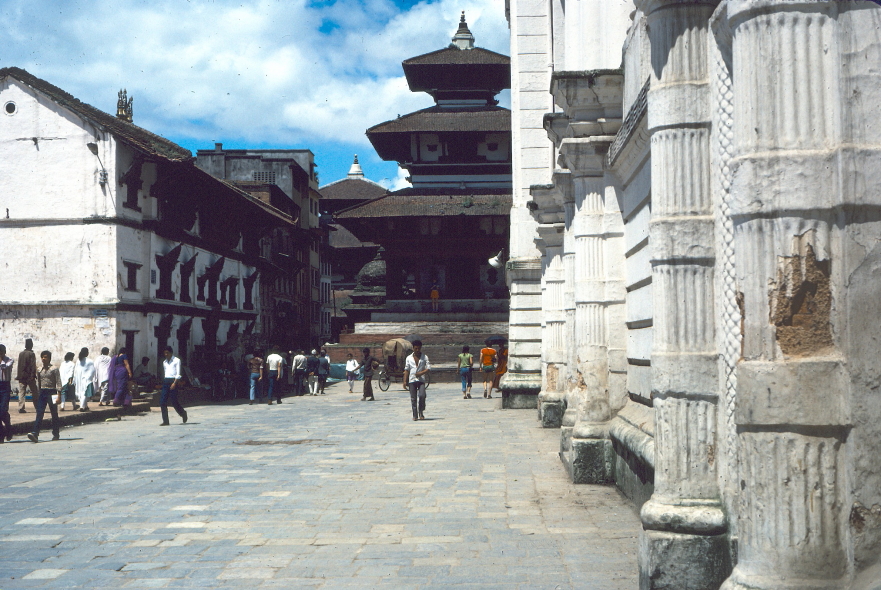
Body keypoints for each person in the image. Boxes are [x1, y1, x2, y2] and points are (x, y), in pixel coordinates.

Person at [27, 351, 61, 442]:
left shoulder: (54, 369)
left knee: (54, 413)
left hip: (52, 392)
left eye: (45, 357)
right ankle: (35, 433)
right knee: (39, 412)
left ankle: (56, 433)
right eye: (42, 357)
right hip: (42, 392)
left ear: (49, 358)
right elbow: (39, 382)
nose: (43, 359)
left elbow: (58, 382)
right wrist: (38, 393)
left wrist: (59, 396)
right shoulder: (39, 369)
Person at [403, 340, 431, 421]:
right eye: (415, 348)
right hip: (412, 380)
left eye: (419, 348)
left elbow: (428, 368)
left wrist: (421, 373)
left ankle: (421, 411)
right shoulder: (409, 358)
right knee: (413, 398)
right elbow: (407, 370)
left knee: (422, 395)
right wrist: (405, 381)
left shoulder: (424, 357)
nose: (417, 350)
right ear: (413, 348)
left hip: (421, 380)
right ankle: (415, 415)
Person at [159, 346, 187, 425]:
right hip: (166, 381)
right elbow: (165, 372)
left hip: (173, 381)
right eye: (165, 353)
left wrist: (175, 383)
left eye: (167, 353)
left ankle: (183, 413)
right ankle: (165, 421)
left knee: (174, 401)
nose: (166, 354)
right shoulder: (164, 362)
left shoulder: (176, 361)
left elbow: (178, 373)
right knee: (162, 401)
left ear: (171, 353)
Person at [16, 338, 37, 413]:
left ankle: (21, 407)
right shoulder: (31, 354)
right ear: (31, 345)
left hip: (21, 376)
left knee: (22, 392)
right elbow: (32, 365)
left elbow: (19, 365)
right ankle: (37, 407)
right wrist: (33, 375)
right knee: (35, 392)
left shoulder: (21, 353)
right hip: (29, 376)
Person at [73, 347, 97, 412]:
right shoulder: (90, 361)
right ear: (87, 353)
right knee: (84, 393)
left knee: (82, 392)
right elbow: (92, 370)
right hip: (86, 379)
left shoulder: (78, 361)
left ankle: (85, 406)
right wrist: (90, 378)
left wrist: (75, 379)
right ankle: (82, 406)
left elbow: (76, 370)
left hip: (79, 379)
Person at [0, 344, 14, 442]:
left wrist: (1, 359)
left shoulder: (9, 360)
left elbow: (4, 367)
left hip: (5, 387)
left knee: (2, 410)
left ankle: (8, 428)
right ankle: (3, 433)